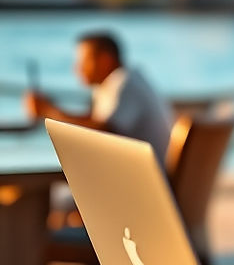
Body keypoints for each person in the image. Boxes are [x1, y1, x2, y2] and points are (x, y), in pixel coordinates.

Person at [25, 31, 173, 165]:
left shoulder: (123, 83)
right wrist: (52, 109)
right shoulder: (122, 80)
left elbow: (104, 133)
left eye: (83, 61)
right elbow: (97, 121)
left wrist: (48, 111)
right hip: (143, 174)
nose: (77, 68)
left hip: (148, 182)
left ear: (104, 60)